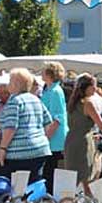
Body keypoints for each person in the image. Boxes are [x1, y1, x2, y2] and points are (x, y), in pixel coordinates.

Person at [0, 68, 56, 184]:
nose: (8, 84)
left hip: (18, 153)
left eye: (10, 81)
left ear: (15, 84)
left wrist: (2, 148)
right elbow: (48, 122)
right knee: (33, 186)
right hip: (40, 150)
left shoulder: (14, 101)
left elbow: (10, 128)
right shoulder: (36, 99)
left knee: (7, 185)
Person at [64, 74, 102, 196]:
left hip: (70, 140)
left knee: (73, 176)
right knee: (86, 176)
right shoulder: (88, 103)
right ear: (86, 87)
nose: (95, 89)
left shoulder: (72, 102)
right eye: (93, 86)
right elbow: (101, 123)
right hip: (83, 142)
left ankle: (73, 201)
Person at [41, 61, 68, 195]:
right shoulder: (48, 90)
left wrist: (46, 137)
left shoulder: (56, 91)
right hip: (50, 137)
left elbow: (58, 118)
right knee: (48, 172)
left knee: (51, 172)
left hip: (54, 139)